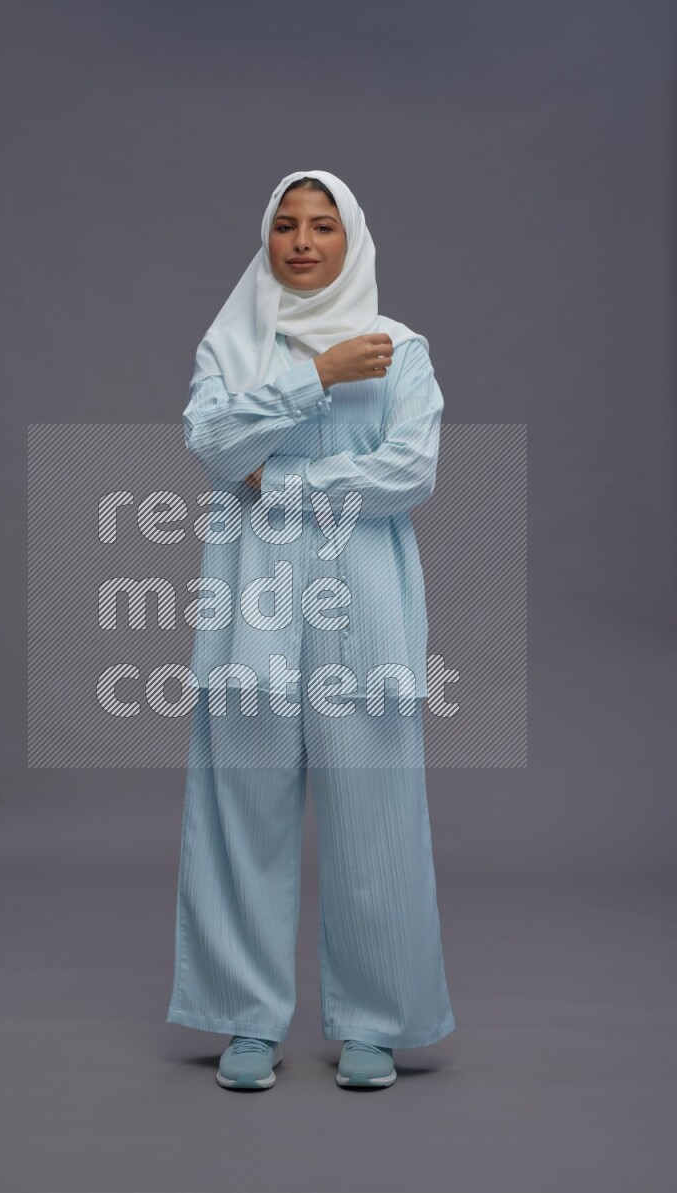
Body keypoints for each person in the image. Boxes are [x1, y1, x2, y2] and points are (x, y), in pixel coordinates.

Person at [166, 169, 455, 1090]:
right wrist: (316, 377)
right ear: (267, 238)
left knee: (376, 820)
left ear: (350, 238)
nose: (301, 241)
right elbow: (212, 445)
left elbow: (411, 470)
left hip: (362, 613)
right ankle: (244, 1017)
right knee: (238, 814)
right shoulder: (231, 344)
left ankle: (373, 1020)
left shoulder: (399, 347)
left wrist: (283, 487)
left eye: (322, 226)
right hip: (252, 610)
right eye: (285, 225)